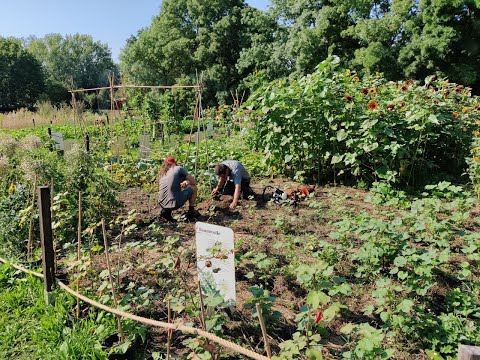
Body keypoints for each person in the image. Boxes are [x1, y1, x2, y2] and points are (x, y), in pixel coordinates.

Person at [158, 157, 200, 222]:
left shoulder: (162, 174)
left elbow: (169, 186)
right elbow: (194, 182)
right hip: (174, 203)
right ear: (174, 163)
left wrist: (182, 183)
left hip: (162, 205)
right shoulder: (178, 168)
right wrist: (188, 182)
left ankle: (166, 214)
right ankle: (191, 211)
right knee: (193, 187)